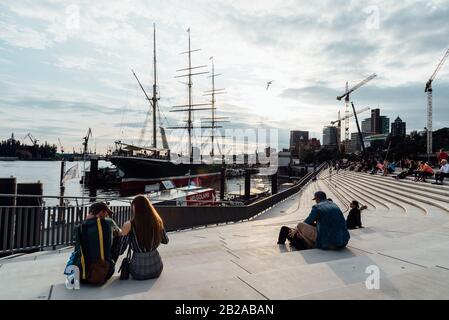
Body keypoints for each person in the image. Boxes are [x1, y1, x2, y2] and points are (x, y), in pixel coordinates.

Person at [65, 202, 119, 286]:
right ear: (101, 212)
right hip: (105, 272)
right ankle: (109, 260)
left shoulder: (80, 227)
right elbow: (121, 233)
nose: (107, 215)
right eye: (106, 212)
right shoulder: (109, 223)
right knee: (120, 238)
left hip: (83, 274)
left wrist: (87, 221)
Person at [278, 191, 350, 250]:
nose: (315, 201)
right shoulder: (334, 205)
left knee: (299, 225)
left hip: (328, 243)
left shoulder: (317, 207)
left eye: (315, 199)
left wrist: (296, 230)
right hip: (343, 241)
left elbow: (307, 221)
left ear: (317, 199)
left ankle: (281, 243)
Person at [119, 195, 169, 280]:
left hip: (138, 271)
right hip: (156, 269)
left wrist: (121, 234)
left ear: (134, 208)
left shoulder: (129, 225)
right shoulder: (157, 221)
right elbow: (165, 240)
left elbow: (120, 250)